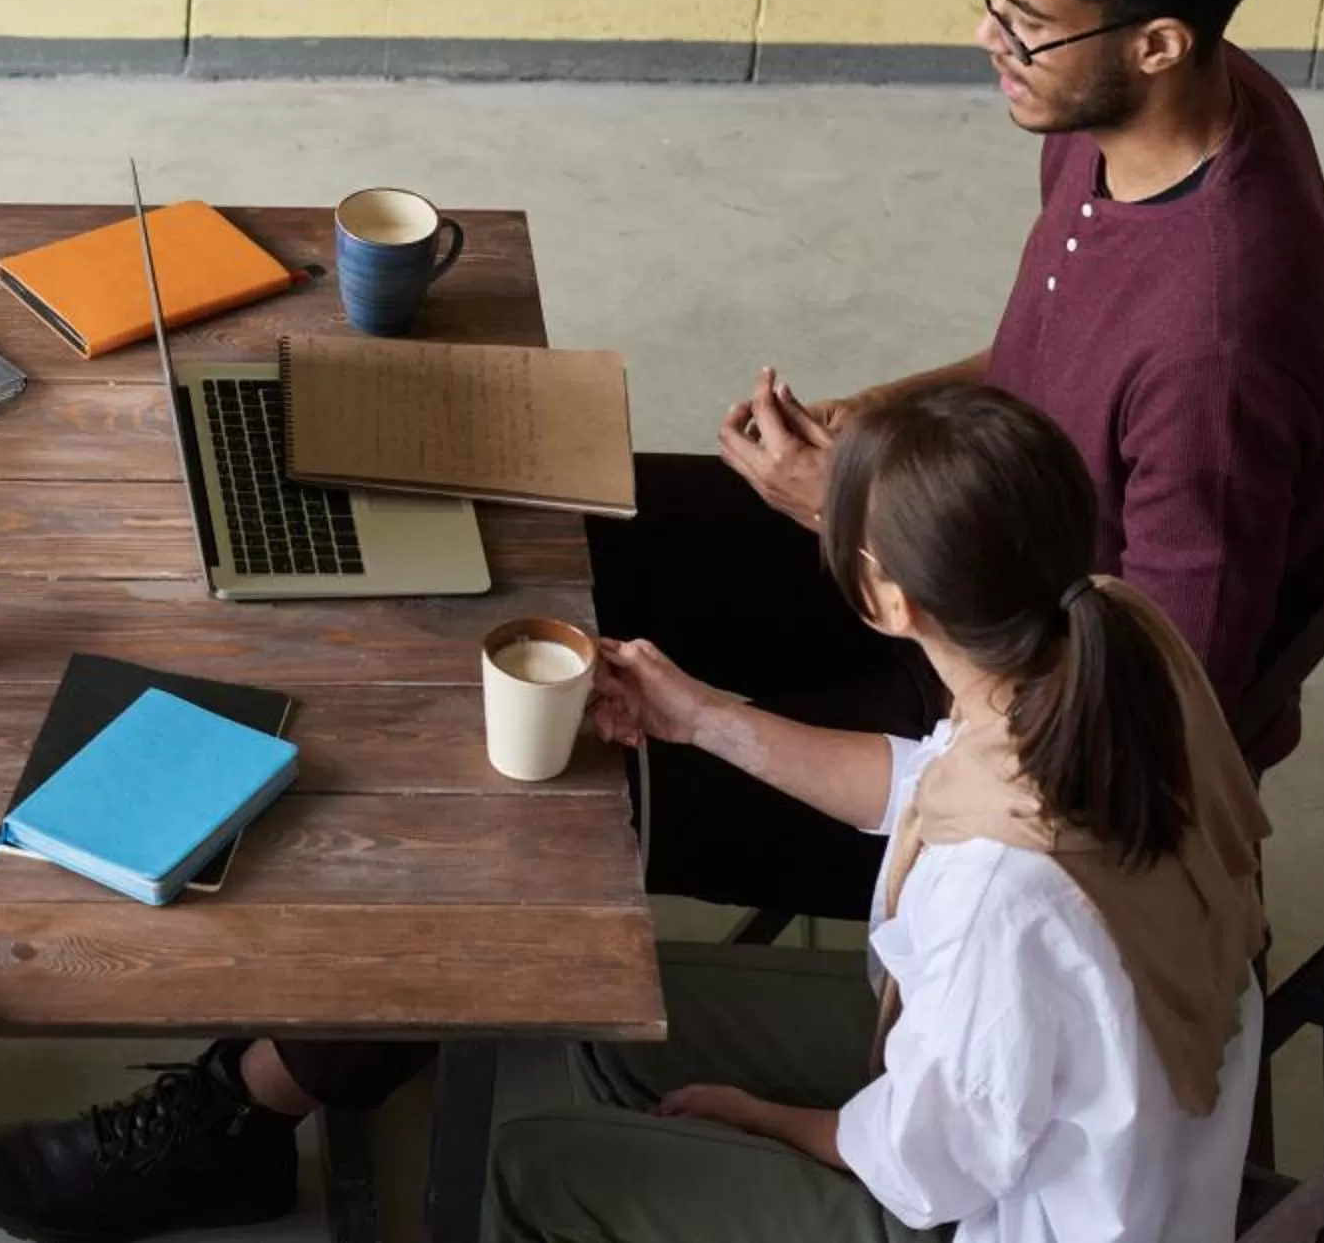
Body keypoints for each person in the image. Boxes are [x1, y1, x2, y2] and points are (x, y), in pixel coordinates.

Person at [0, 0, 1324, 1242]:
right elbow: (1051, 361)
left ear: (1160, 38)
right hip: (959, 568)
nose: (989, 42)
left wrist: (864, 524)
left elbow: (1154, 703)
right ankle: (314, 958)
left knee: (532, 777)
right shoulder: (1151, 112)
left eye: (1025, 24)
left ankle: (255, 1104)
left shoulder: (1224, 343)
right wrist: (879, 435)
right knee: (545, 537)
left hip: (1031, 701)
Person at [487, 383, 1267, 1243]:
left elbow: (924, 1166)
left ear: (891, 602)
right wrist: (699, 718)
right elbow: (931, 787)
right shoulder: (1115, 632)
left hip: (1022, 1213)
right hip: (1099, 1095)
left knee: (535, 1170)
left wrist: (768, 1118)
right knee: (614, 1016)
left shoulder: (1000, 891)